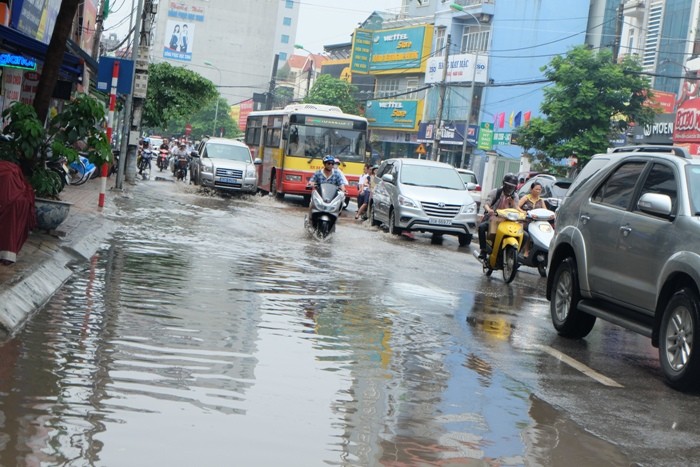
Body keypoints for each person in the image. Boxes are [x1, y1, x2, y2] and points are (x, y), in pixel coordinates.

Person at [477, 173, 520, 259]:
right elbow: (486, 204)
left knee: (524, 235)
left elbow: (517, 209)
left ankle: (515, 256)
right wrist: (489, 210)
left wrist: (512, 203)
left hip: (509, 222)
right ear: (504, 184)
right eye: (508, 185)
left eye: (512, 186)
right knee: (481, 227)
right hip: (494, 219)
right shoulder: (495, 192)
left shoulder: (515, 196)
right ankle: (483, 250)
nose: (510, 188)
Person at [518, 181, 546, 256]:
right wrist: (524, 212)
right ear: (531, 189)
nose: (538, 191)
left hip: (536, 222)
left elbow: (545, 211)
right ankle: (525, 251)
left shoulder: (541, 200)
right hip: (525, 220)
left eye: (539, 190)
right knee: (527, 232)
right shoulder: (526, 198)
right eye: (536, 189)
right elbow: (517, 206)